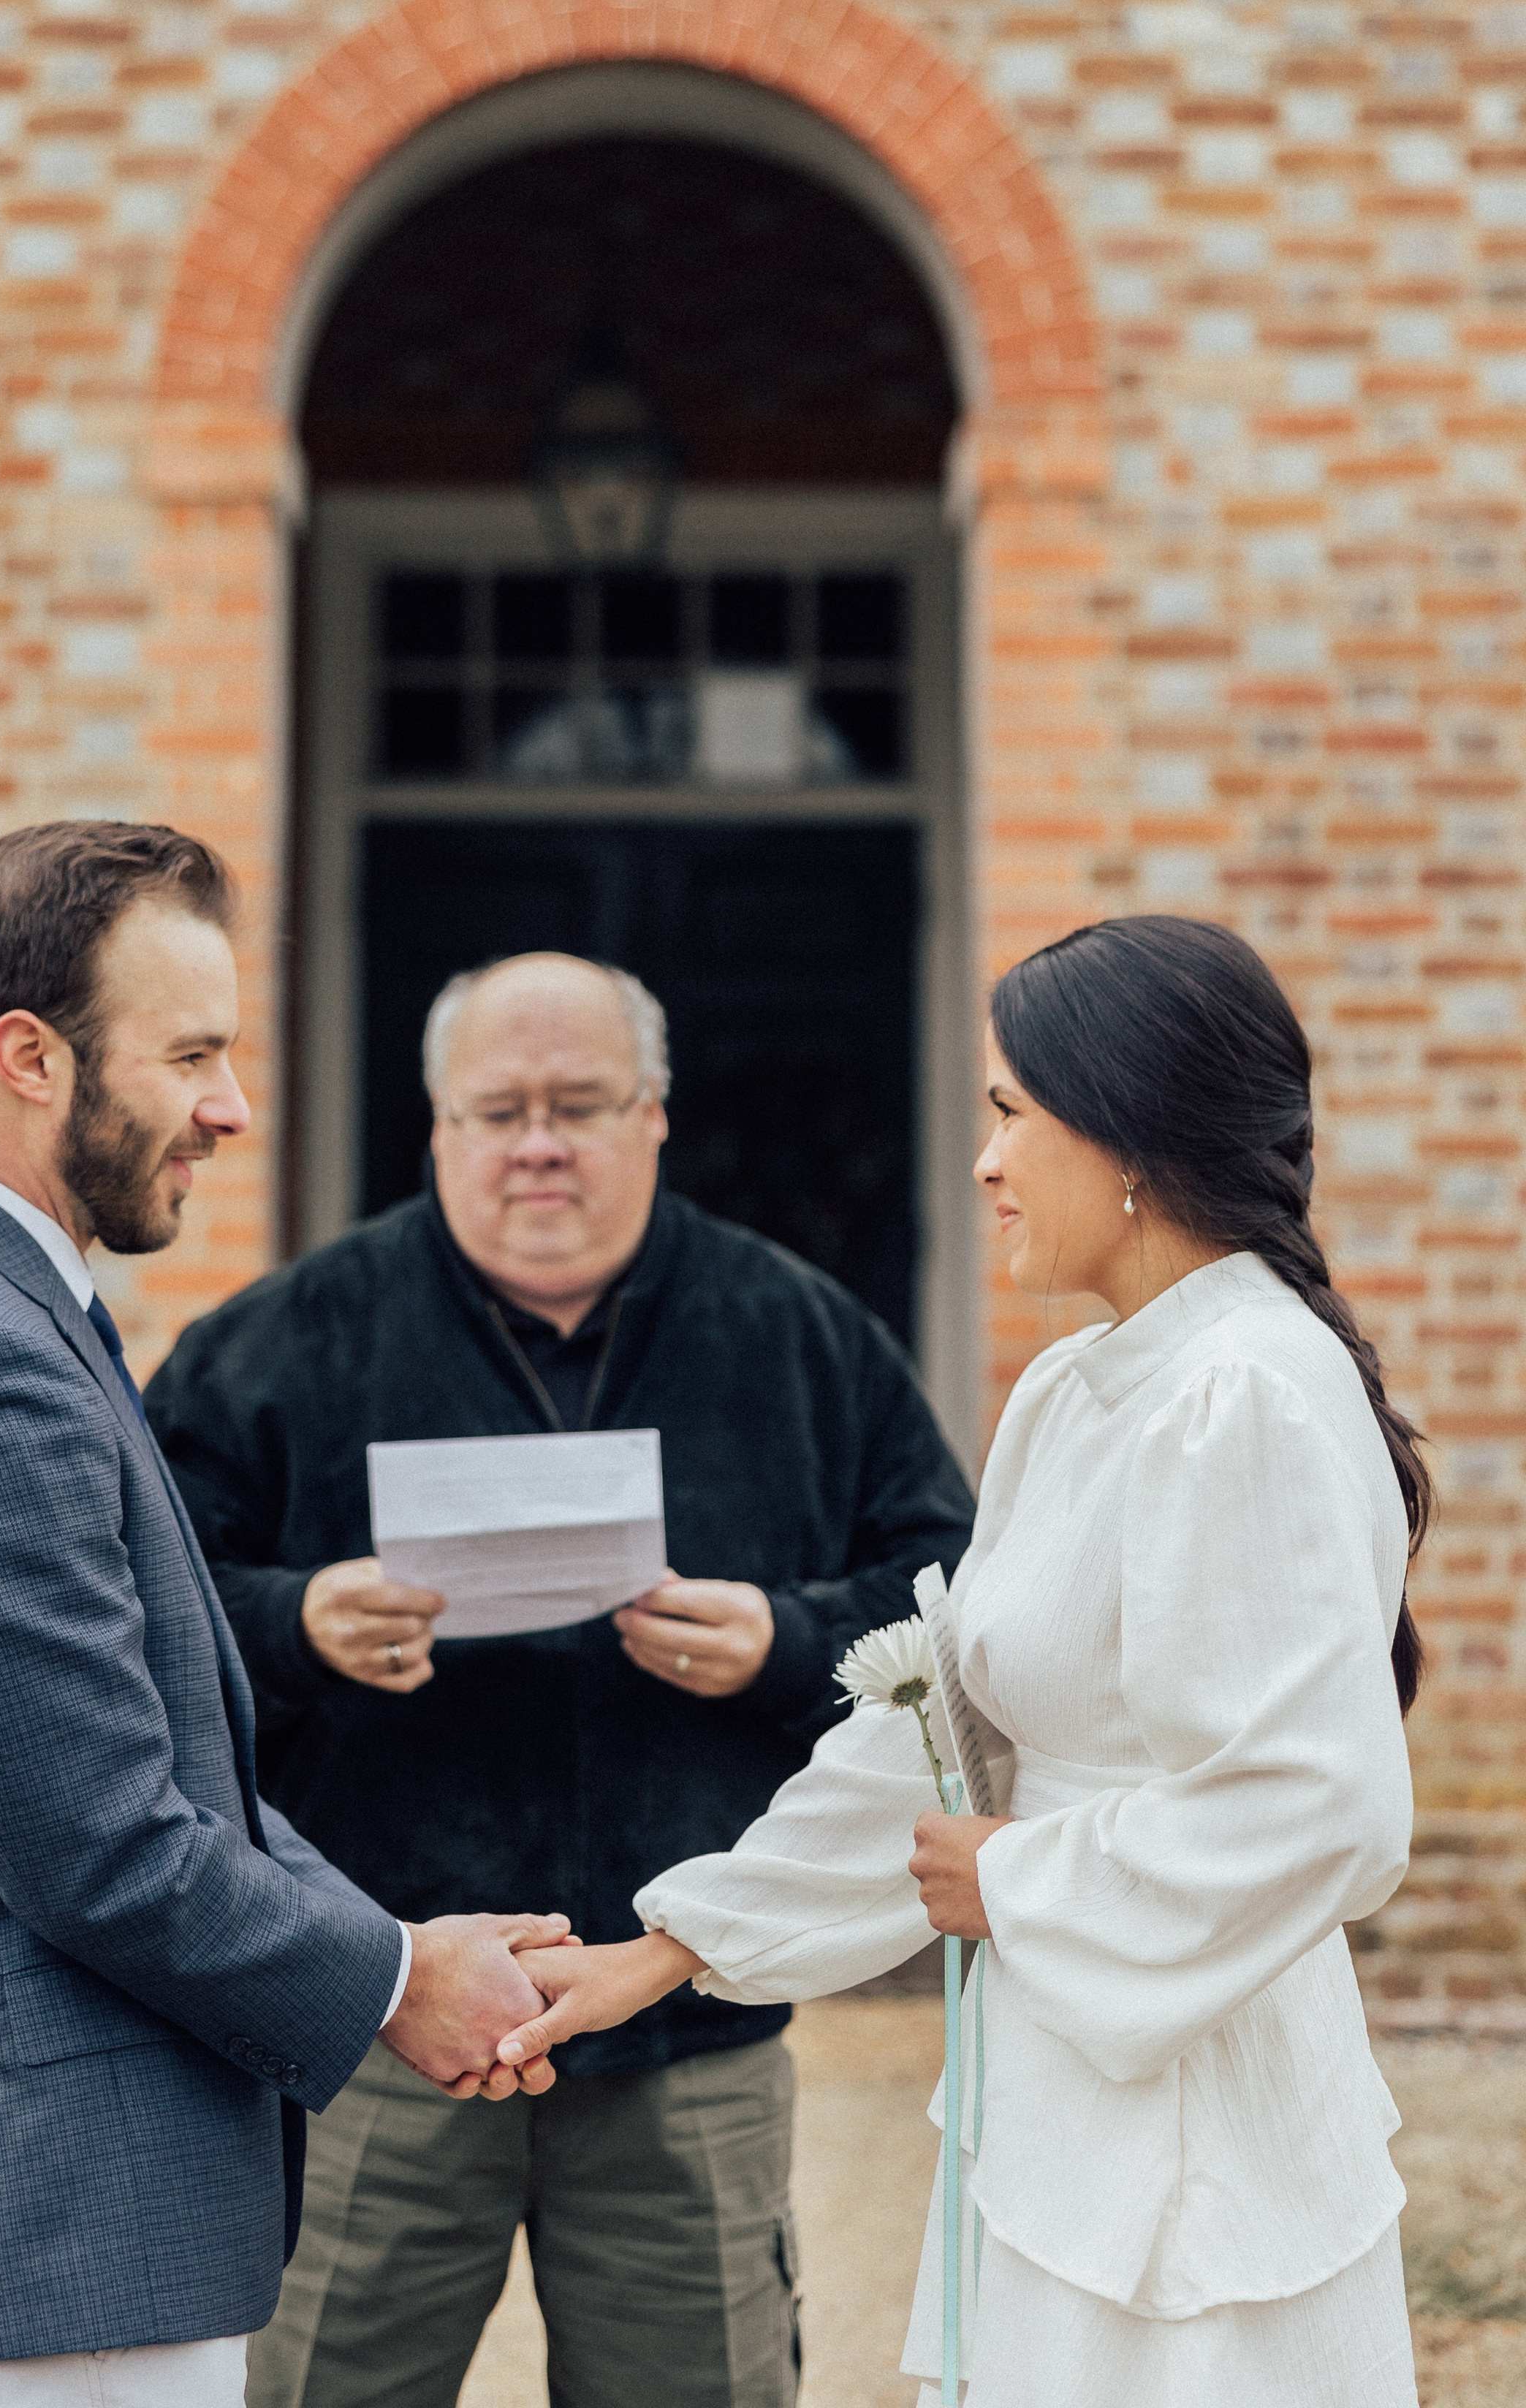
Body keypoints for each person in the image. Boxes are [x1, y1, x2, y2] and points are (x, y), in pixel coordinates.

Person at [496, 915, 1426, 2408]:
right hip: (1051, 2087)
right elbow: (942, 1723)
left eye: (1009, 1113)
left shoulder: (1244, 1395)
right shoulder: (1073, 1388)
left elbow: (1323, 1807)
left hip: (1195, 2150)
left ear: (1126, 1132)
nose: (982, 1164)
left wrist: (1011, 1881)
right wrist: (671, 1949)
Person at [0, 824, 566, 2407]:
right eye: (191, 1053)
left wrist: (392, 1946)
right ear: (30, 1060)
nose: (231, 1107)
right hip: (50, 2241)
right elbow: (105, 1850)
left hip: (65, 2225)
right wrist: (402, 1976)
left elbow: (169, 1771)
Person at [147, 949, 976, 2408]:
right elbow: (134, 1608)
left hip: (683, 2025)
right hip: (377, 2022)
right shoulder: (285, 1343)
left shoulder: (796, 1337)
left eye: (580, 1104)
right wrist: (293, 1623)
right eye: (499, 1109)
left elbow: (952, 1606)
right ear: (436, 1132)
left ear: (654, 1117)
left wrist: (785, 1643)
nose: (539, 1141)